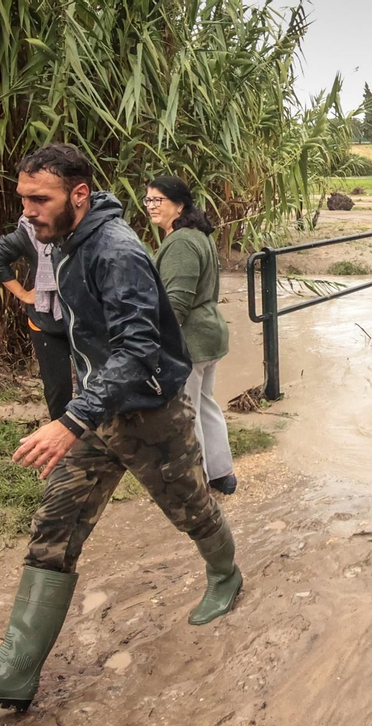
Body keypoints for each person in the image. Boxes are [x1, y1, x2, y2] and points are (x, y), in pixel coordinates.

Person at [0, 144, 243, 713]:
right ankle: (16, 668)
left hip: (150, 413)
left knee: (191, 509)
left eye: (37, 199)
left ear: (78, 195)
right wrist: (82, 405)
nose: (25, 211)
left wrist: (70, 418)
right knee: (56, 520)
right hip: (99, 414)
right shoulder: (67, 240)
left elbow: (137, 346)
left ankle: (226, 574)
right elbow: (86, 338)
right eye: (22, 197)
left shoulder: (116, 250)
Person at [145, 175, 237, 496]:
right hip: (209, 334)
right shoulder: (199, 236)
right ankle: (221, 473)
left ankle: (197, 481)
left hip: (191, 340)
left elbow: (176, 302)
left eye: (159, 200)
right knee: (205, 403)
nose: (151, 206)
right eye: (148, 200)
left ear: (179, 204)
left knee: (187, 411)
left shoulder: (182, 242)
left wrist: (158, 344)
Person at [0, 219, 72, 421]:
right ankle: (62, 438)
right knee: (57, 389)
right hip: (45, 321)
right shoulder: (29, 230)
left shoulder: (88, 225)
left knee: (96, 382)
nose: (30, 208)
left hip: (87, 320)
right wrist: (24, 295)